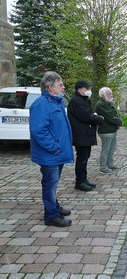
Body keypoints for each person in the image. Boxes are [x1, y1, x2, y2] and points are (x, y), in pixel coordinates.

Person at [30, 71, 73, 227]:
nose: (63, 87)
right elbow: (38, 131)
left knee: (52, 183)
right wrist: (54, 148)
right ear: (50, 87)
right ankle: (51, 215)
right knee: (49, 183)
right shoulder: (41, 104)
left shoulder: (56, 102)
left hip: (57, 153)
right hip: (50, 154)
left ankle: (54, 207)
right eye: (60, 85)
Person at [67, 80, 104, 192]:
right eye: (86, 88)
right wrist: (100, 119)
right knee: (82, 158)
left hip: (85, 134)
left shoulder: (82, 100)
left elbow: (89, 114)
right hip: (81, 135)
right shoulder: (76, 101)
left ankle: (84, 179)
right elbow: (87, 116)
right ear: (79, 90)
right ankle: (80, 182)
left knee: (85, 157)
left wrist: (95, 117)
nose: (89, 90)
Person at [95, 87, 123, 174]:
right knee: (106, 149)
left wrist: (119, 121)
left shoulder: (110, 103)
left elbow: (116, 114)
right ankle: (103, 167)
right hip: (106, 131)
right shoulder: (101, 104)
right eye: (109, 94)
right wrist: (119, 122)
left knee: (112, 148)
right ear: (103, 95)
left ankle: (110, 164)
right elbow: (110, 117)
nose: (111, 95)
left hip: (112, 130)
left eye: (111, 93)